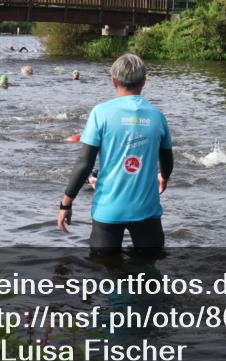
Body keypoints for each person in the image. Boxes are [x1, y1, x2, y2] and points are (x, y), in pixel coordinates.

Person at [57, 54, 174, 257]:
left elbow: (85, 163)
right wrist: (164, 176)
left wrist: (66, 202)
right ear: (144, 81)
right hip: (147, 211)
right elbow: (167, 159)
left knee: (105, 271)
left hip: (108, 210)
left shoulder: (100, 113)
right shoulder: (157, 116)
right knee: (149, 275)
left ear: (113, 81)